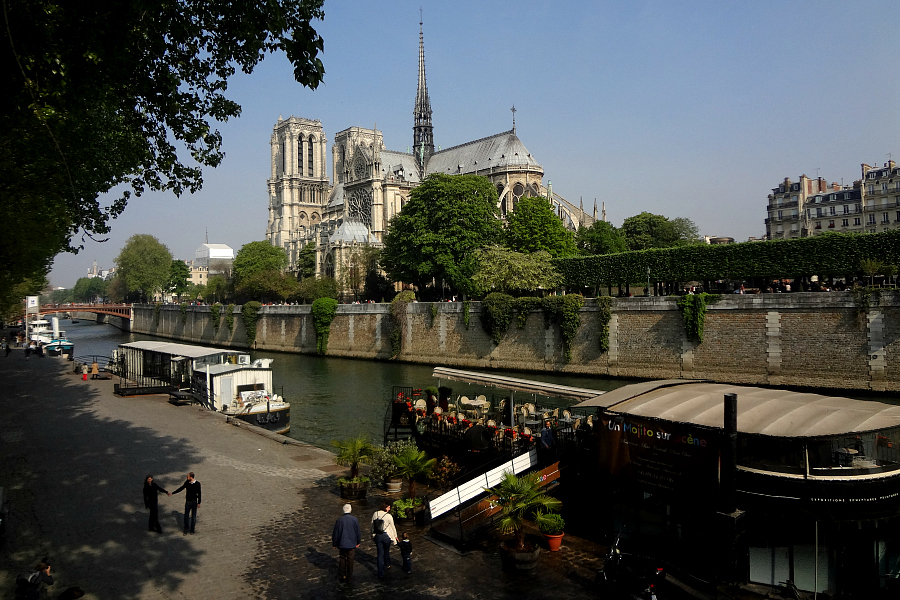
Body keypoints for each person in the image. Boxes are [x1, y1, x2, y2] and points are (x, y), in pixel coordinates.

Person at [332, 503, 361, 583]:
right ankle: (349, 575)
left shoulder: (339, 520)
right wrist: (358, 541)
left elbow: (336, 533)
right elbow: (357, 532)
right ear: (351, 510)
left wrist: (334, 543)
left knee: (342, 558)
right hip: (351, 543)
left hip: (342, 543)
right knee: (350, 559)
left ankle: (342, 574)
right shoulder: (354, 520)